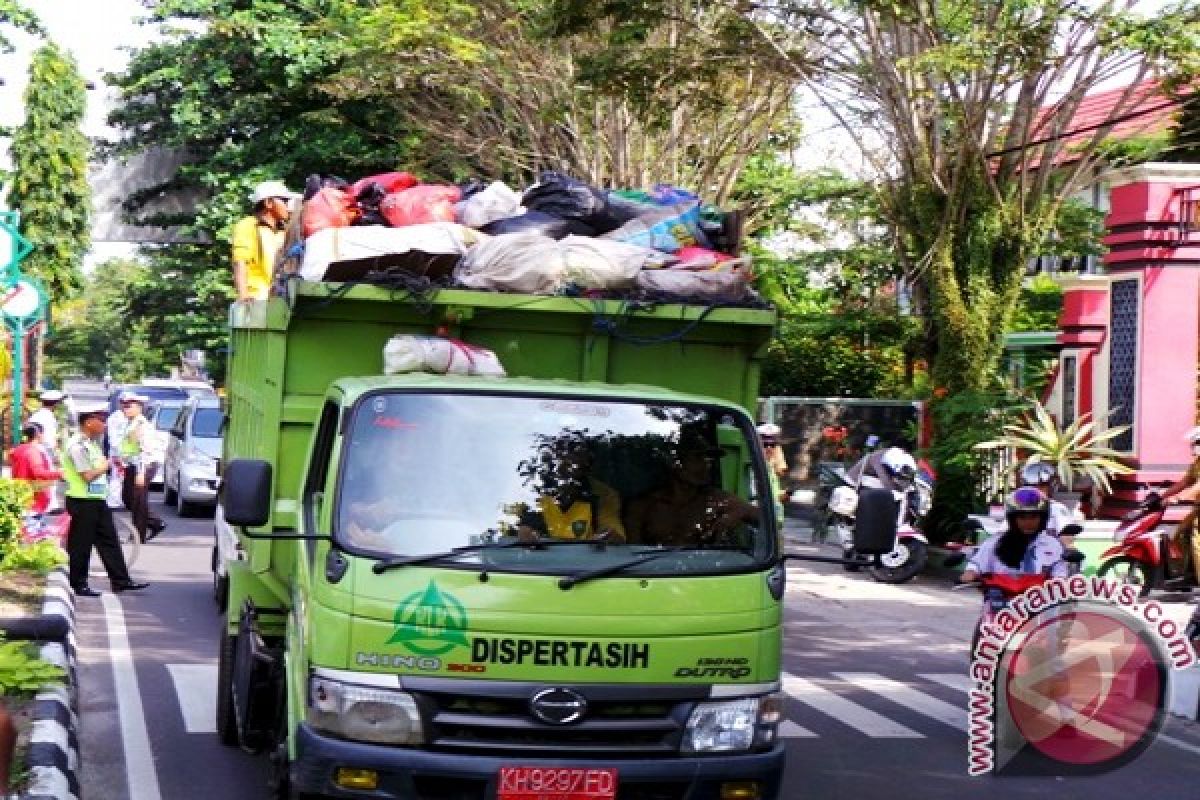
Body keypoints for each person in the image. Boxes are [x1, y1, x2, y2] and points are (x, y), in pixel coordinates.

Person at [62, 403, 148, 597]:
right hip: (82, 501)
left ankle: (120, 580)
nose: (105, 424)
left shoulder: (92, 443)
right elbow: (87, 476)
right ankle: (79, 584)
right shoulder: (78, 446)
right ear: (89, 422)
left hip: (96, 499)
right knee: (81, 545)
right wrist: (107, 466)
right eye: (101, 420)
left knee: (110, 541)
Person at [625, 434, 759, 547]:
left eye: (708, 459)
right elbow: (631, 554)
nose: (706, 465)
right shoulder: (643, 506)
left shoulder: (716, 499)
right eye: (697, 458)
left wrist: (742, 511)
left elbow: (763, 519)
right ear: (674, 462)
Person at [515, 442, 625, 543]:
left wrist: (608, 536)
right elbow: (514, 535)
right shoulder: (531, 489)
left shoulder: (603, 494)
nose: (567, 460)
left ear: (587, 460)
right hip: (534, 562)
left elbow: (612, 532)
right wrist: (525, 534)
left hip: (590, 563)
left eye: (576, 453)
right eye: (561, 453)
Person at [960, 487, 1069, 583]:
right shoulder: (995, 543)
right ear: (1012, 519)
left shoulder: (1054, 545)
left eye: (1034, 517)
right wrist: (970, 573)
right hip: (1000, 601)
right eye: (1022, 517)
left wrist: (1059, 581)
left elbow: (1060, 573)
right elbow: (977, 564)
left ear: (1043, 519)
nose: (1028, 522)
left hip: (1041, 602)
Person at [232, 180, 300, 302]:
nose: (288, 207)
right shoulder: (248, 225)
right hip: (257, 298)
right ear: (268, 202)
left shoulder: (284, 231)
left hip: (279, 299)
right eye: (284, 201)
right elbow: (240, 262)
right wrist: (243, 296)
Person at [114, 392, 166, 543]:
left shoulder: (142, 425)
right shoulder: (131, 423)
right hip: (132, 465)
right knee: (128, 499)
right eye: (124, 406)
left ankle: (138, 535)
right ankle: (155, 523)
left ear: (139, 407)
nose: (125, 409)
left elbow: (145, 450)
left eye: (129, 406)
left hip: (144, 466)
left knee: (138, 501)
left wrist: (141, 472)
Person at [1161, 426, 1200, 584]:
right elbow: (1184, 483)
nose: (1193, 447)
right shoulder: (1196, 464)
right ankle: (1187, 574)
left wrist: (1178, 498)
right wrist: (1161, 495)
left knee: (1197, 542)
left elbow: (1198, 487)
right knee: (1179, 535)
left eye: (1196, 443)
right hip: (1197, 509)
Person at [1018, 462, 1079, 548]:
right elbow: (1002, 534)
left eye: (1042, 487)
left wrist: (1070, 548)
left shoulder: (1056, 508)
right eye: (1033, 487)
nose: (1037, 491)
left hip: (1051, 557)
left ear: (1050, 487)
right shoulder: (1017, 508)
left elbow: (1066, 534)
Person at [9, 423, 62, 514]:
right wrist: (60, 473)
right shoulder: (33, 451)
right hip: (33, 500)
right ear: (38, 434)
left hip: (20, 494)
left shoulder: (18, 449)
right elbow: (39, 473)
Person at [845, 445, 917, 493]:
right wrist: (899, 490)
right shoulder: (878, 459)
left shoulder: (895, 456)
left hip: (869, 478)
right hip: (854, 479)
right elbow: (886, 481)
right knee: (885, 488)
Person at [28, 389, 63, 456]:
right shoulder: (48, 417)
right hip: (44, 451)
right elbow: (50, 440)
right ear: (55, 404)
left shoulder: (36, 415)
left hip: (34, 449)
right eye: (59, 402)